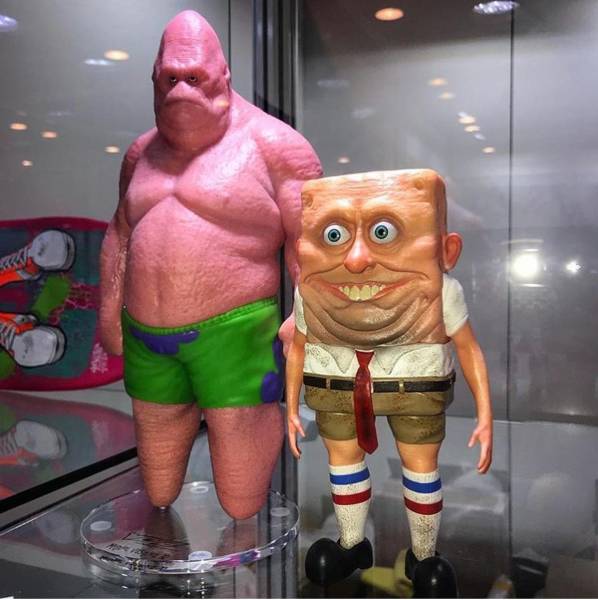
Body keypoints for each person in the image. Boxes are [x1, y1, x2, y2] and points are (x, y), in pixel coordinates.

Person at [100, 10, 321, 520]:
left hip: (237, 336)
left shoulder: (277, 147)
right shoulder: (139, 154)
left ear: (224, 76)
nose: (181, 89)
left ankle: (243, 535)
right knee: (158, 488)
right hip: (147, 337)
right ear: (154, 81)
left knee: (241, 502)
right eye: (169, 79)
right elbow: (120, 233)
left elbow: (311, 243)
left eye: (194, 78)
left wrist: (307, 320)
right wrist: (108, 313)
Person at [286, 170, 492, 596]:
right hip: (336, 383)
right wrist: (290, 408)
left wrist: (485, 414)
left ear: (447, 250)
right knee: (343, 461)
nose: (357, 260)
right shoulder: (309, 294)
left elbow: (468, 347)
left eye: (383, 232)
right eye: (334, 235)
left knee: (419, 465)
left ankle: (423, 553)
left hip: (413, 386)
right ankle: (351, 543)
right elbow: (299, 348)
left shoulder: (442, 293)